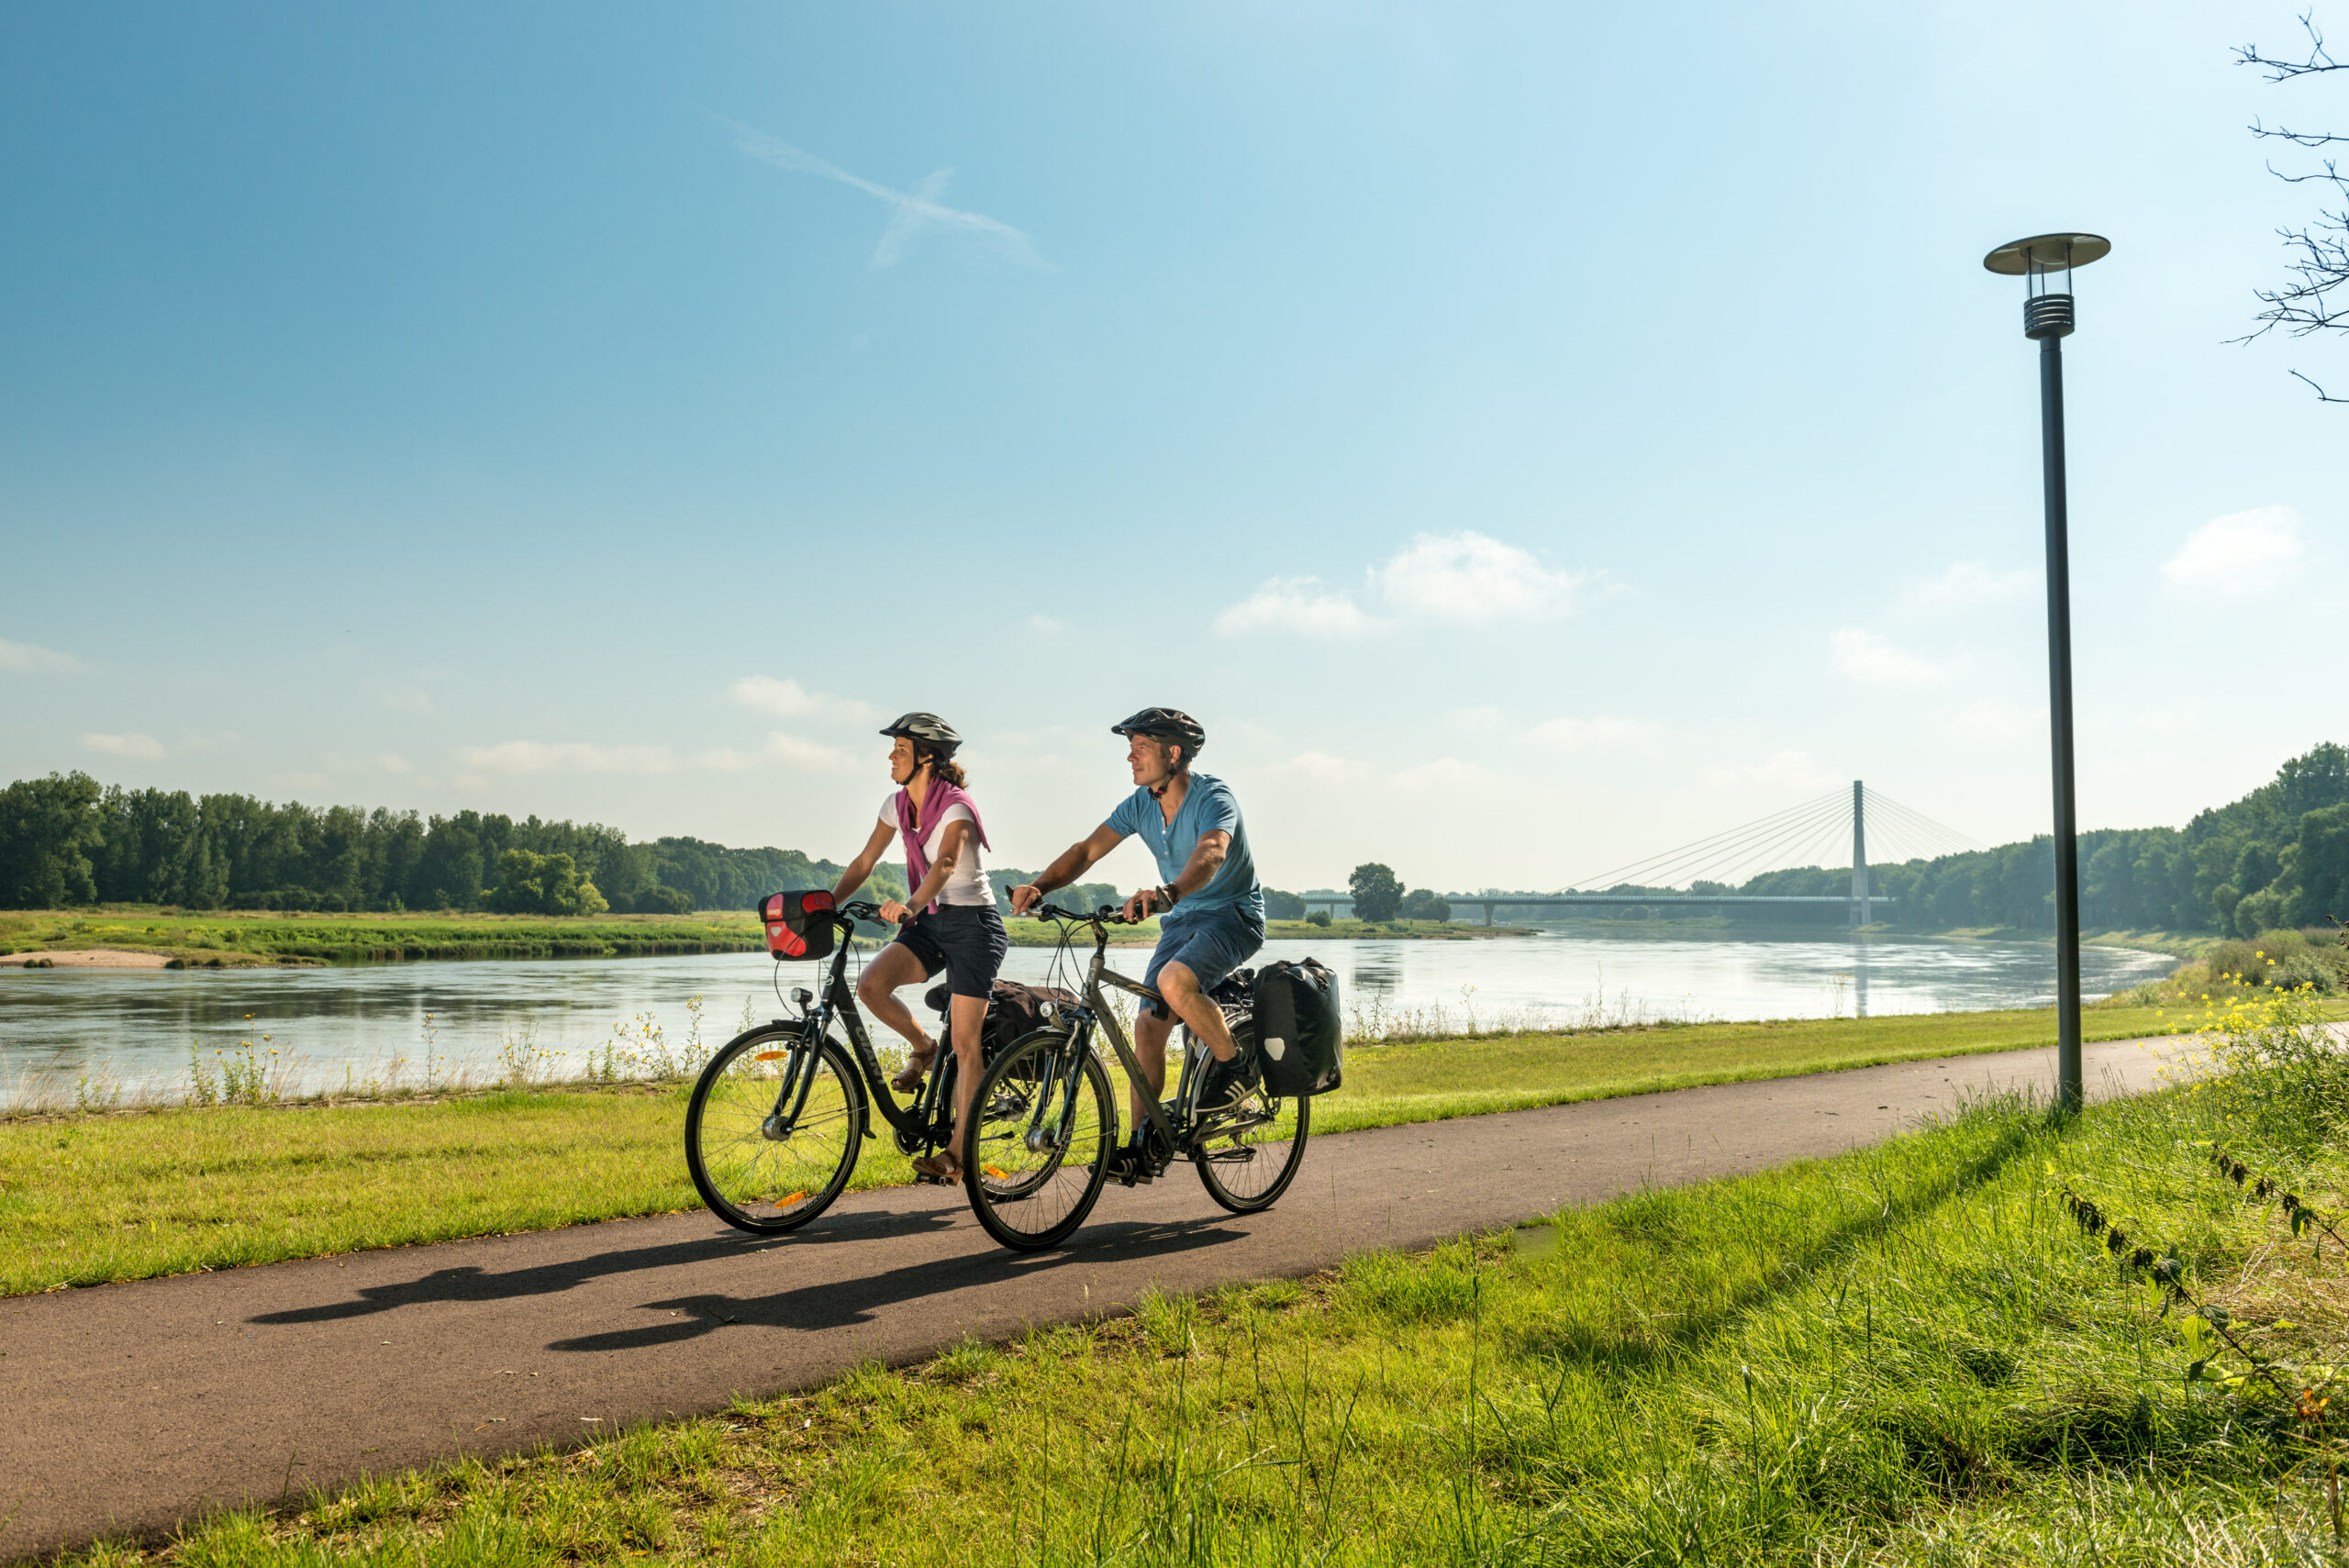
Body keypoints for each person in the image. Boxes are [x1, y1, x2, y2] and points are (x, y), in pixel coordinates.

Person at [1010, 707, 1262, 1179]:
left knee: (1173, 981)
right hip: (1183, 920)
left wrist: (1168, 892)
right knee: (1147, 1025)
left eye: (1140, 748)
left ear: (1173, 753)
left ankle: (1236, 1067)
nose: (1130, 757)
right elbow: (1087, 850)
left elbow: (1213, 851)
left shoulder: (1214, 796)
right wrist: (1041, 886)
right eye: (1130, 748)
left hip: (1232, 916)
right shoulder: (1142, 804)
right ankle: (1144, 1146)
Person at [829, 712, 1008, 1181]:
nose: (891, 755)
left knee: (967, 1044)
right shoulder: (896, 804)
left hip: (973, 927)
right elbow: (865, 860)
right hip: (929, 922)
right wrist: (826, 904)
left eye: (901, 749)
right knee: (871, 985)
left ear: (927, 758)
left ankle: (957, 1155)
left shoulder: (957, 807)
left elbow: (946, 863)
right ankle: (925, 1048)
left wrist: (908, 906)